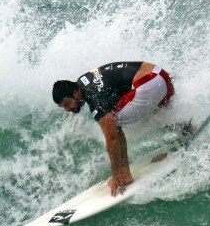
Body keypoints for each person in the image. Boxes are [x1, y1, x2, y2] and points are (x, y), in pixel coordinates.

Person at [52, 61, 175, 196]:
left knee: (113, 122)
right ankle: (186, 129)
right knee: (152, 110)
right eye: (64, 107)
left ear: (76, 92)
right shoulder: (83, 80)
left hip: (148, 82)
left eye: (67, 103)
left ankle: (123, 175)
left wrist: (115, 176)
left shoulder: (94, 98)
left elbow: (112, 138)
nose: (68, 109)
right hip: (160, 75)